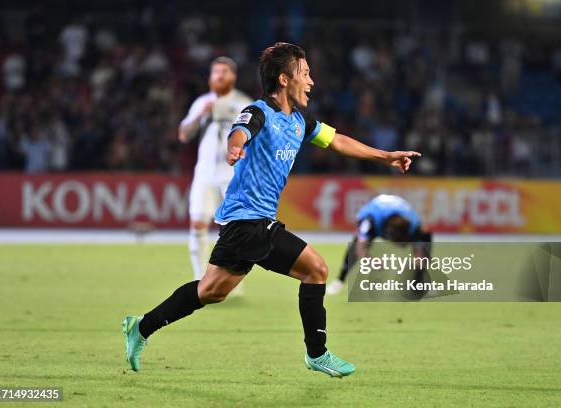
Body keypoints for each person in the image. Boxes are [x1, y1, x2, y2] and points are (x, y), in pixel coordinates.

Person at [122, 42, 421, 378]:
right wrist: (234, 148)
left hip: (243, 225)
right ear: (283, 79)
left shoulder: (299, 122)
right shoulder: (260, 112)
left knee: (210, 291)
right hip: (250, 221)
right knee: (317, 269)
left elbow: (338, 141)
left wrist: (386, 156)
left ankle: (140, 327)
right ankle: (317, 353)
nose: (311, 81)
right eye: (305, 74)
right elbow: (240, 131)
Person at [179, 57, 252, 280]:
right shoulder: (202, 102)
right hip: (204, 174)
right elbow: (183, 134)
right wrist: (202, 115)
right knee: (197, 225)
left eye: (224, 72)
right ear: (210, 78)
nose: (219, 76)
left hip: (232, 175)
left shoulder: (243, 103)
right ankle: (199, 279)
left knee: (234, 230)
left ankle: (231, 281)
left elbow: (256, 137)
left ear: (233, 77)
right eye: (215, 72)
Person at [326, 194, 432, 296]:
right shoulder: (369, 221)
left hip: (400, 212)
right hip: (377, 211)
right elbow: (360, 250)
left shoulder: (414, 224)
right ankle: (339, 281)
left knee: (425, 243)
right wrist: (372, 261)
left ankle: (420, 283)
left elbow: (421, 251)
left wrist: (420, 261)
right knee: (353, 247)